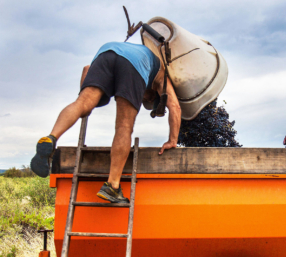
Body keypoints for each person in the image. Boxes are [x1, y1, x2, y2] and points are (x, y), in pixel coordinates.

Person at [30, 41, 182, 203]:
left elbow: (86, 69)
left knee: (81, 103)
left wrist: (86, 101)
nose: (144, 98)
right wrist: (172, 140)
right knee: (124, 126)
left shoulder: (135, 51)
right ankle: (112, 186)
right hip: (133, 65)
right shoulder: (161, 77)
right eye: (148, 98)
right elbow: (175, 107)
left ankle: (51, 138)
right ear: (154, 95)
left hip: (105, 52)